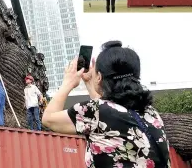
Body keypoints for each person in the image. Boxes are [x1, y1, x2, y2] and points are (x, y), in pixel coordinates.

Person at [42, 41, 170, 168]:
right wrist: (89, 83)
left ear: (99, 77)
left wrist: (68, 83)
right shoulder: (152, 113)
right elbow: (106, 113)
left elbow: (48, 119)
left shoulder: (96, 110)